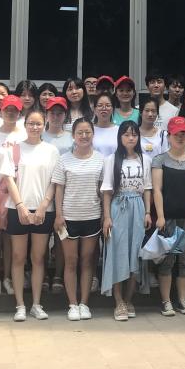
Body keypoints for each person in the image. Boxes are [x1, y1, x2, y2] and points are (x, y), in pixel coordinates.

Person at [1, 109, 59, 322]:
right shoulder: (14, 149)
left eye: (38, 123)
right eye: (31, 123)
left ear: (44, 125)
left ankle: (36, 304)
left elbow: (54, 181)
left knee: (38, 257)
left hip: (44, 211)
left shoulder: (51, 150)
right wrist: (20, 206)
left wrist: (43, 206)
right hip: (17, 209)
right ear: (24, 125)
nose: (35, 127)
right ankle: (20, 305)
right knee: (18, 257)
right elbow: (9, 179)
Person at [52, 118, 106, 321]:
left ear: (93, 134)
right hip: (68, 218)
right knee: (71, 261)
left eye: (87, 132)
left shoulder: (100, 159)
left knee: (87, 261)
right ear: (73, 136)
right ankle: (72, 304)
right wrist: (59, 215)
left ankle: (84, 303)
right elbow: (59, 189)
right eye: (80, 133)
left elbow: (103, 191)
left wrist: (105, 214)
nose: (84, 136)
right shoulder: (64, 159)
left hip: (92, 216)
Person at [152, 117, 185, 316]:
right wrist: (160, 216)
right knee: (168, 260)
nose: (180, 138)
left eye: (183, 134)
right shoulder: (160, 160)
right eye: (176, 134)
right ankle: (166, 301)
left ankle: (182, 300)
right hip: (169, 217)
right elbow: (157, 190)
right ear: (169, 136)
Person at [101, 121, 152, 321]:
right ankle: (118, 301)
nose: (131, 138)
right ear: (120, 137)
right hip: (118, 207)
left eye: (134, 135)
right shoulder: (111, 160)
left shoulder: (145, 159)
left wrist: (147, 212)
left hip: (138, 207)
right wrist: (107, 217)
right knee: (118, 254)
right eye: (126, 134)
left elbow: (147, 188)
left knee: (135, 254)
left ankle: (129, 299)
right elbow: (107, 191)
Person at [0, 95, 26, 296]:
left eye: (15, 110)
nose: (11, 113)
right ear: (1, 111)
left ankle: (8, 277)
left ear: (20, 112)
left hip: (17, 191)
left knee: (11, 237)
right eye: (7, 109)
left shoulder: (25, 133)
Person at [41, 96, 72, 293]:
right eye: (52, 112)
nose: (55, 116)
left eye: (60, 113)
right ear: (46, 114)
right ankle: (43, 274)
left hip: (65, 194)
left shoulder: (71, 138)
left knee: (61, 237)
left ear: (65, 115)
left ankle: (59, 275)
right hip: (43, 192)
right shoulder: (40, 135)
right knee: (42, 238)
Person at [92, 92, 119, 157]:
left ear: (113, 109)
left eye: (108, 105)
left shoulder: (119, 130)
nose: (104, 108)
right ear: (94, 109)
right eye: (100, 105)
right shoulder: (89, 130)